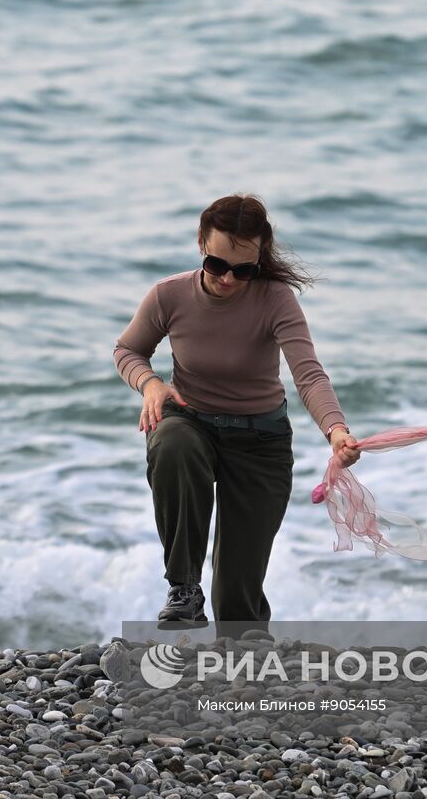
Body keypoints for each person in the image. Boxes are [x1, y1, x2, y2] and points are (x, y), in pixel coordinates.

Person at [113, 194, 362, 633]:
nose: (228, 278)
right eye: (216, 264)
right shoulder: (168, 296)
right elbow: (128, 350)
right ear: (201, 245)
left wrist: (335, 429)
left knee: (238, 607)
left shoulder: (275, 300)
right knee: (171, 443)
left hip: (260, 443)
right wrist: (149, 383)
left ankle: (242, 677)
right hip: (191, 422)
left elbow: (308, 374)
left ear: (259, 259)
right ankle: (184, 589)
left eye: (243, 270)